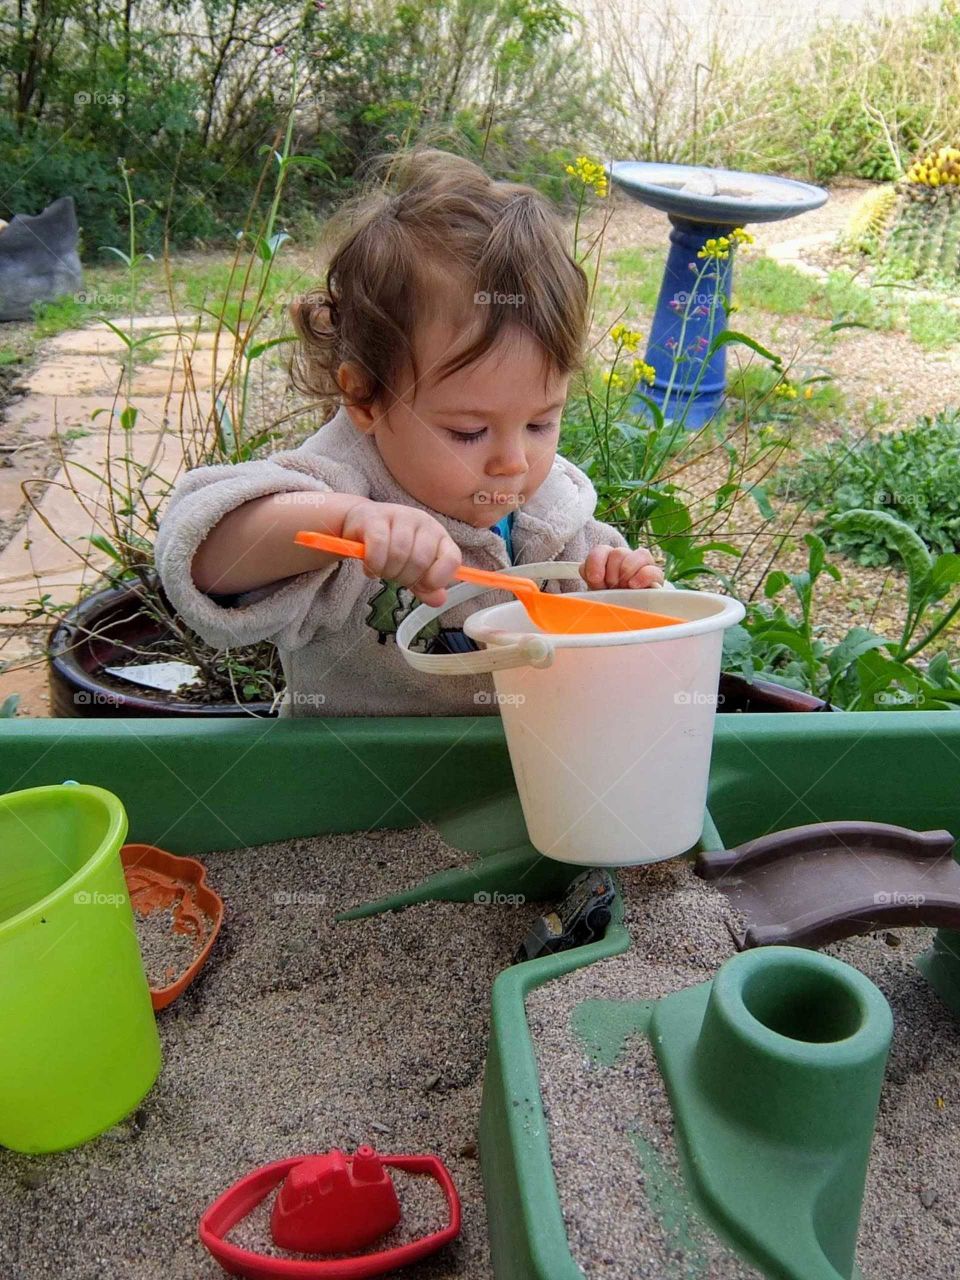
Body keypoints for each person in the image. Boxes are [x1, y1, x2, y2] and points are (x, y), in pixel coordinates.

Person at [154, 147, 664, 718]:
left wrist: (619, 595)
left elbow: (616, 651)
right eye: (469, 431)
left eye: (540, 423)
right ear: (365, 396)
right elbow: (201, 554)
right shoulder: (337, 485)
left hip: (523, 764)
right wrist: (346, 522)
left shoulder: (556, 515)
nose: (514, 461)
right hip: (363, 771)